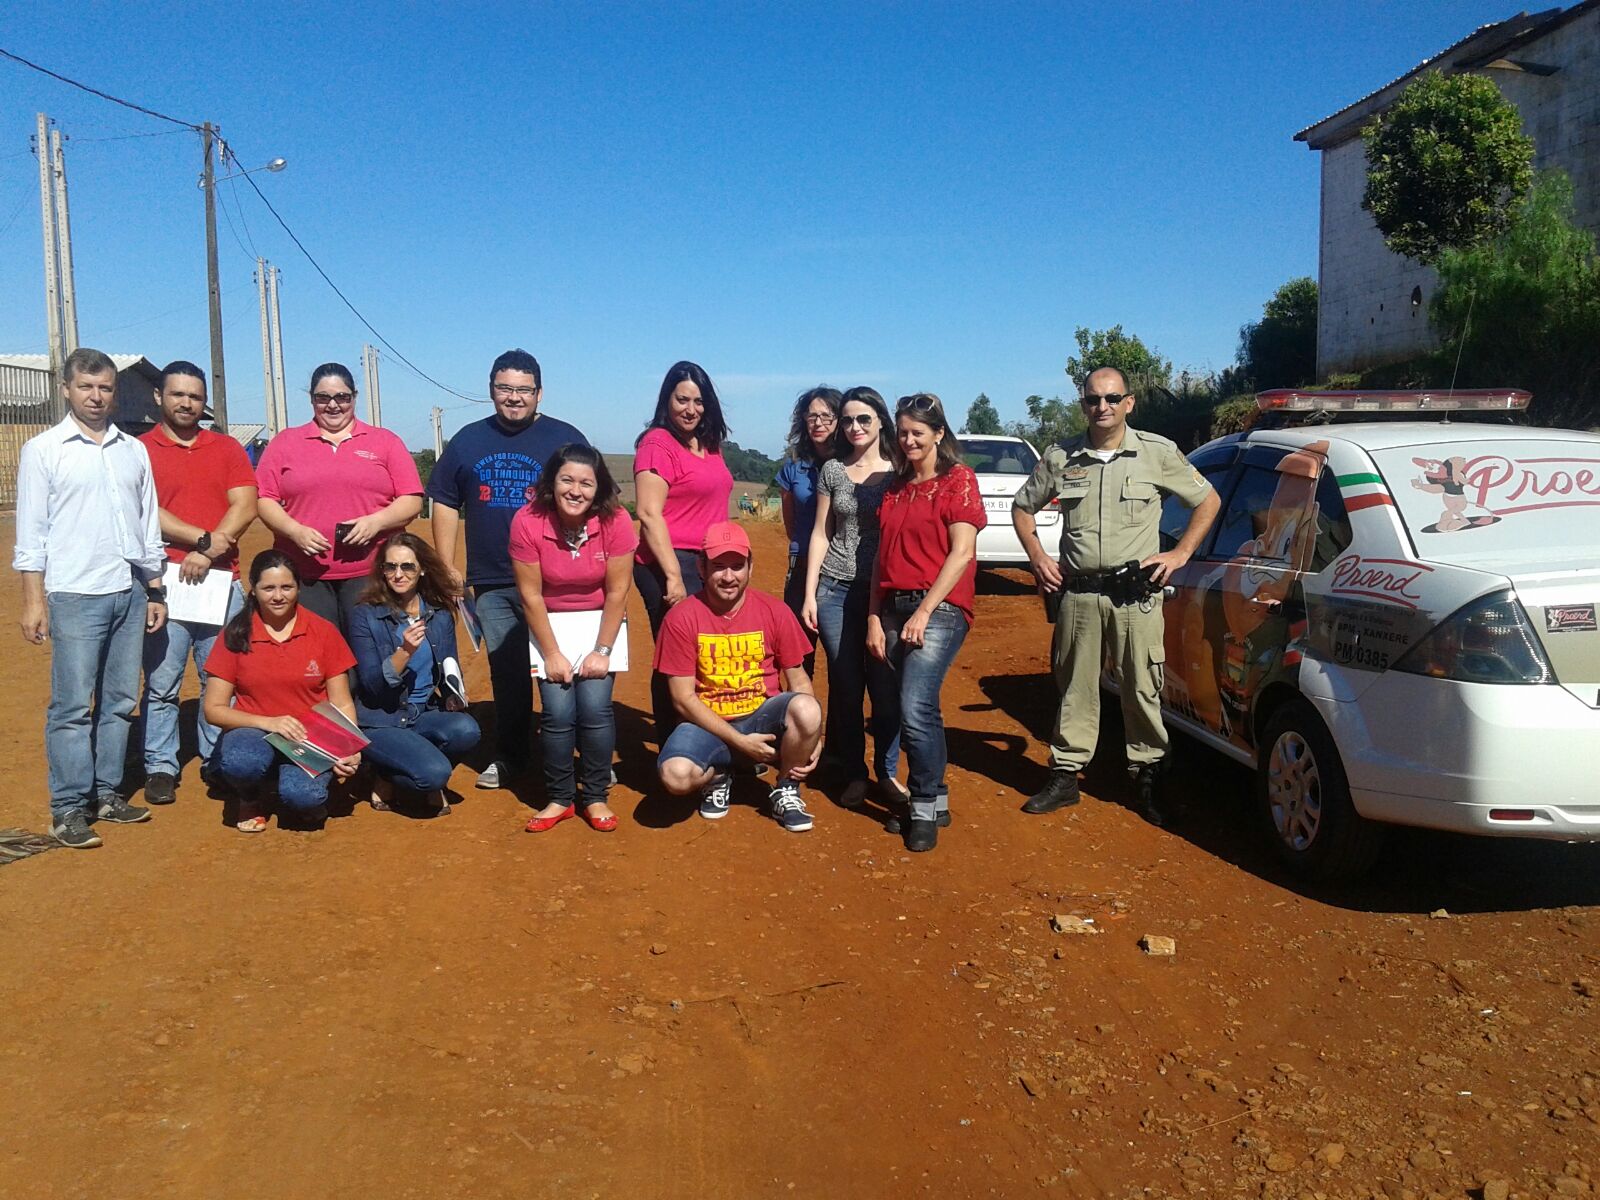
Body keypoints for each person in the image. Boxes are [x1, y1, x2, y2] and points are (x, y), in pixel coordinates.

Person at [1011, 366, 1220, 826]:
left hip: (1135, 596)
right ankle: (1065, 774)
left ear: (1129, 402)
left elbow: (1208, 501)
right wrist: (1037, 557)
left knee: (1142, 687)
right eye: (1092, 399)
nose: (1101, 407)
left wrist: (1181, 552)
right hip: (1080, 595)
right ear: (1082, 403)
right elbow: (1022, 508)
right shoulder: (1061, 457)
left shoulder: (1157, 454)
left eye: (1111, 398)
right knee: (1074, 687)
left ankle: (1149, 777)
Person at [14, 347, 169, 848]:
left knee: (121, 701)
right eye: (86, 387)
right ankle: (68, 806)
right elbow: (31, 534)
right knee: (72, 706)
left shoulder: (132, 448)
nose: (97, 396)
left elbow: (146, 522)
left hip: (127, 588)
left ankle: (107, 793)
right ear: (66, 390)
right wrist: (34, 601)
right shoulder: (44, 450)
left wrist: (153, 586)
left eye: (104, 387)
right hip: (75, 593)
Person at [429, 349, 590, 792]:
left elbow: (592, 499)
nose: (514, 398)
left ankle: (583, 757)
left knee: (567, 668)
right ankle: (513, 755)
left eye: (523, 390)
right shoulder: (467, 440)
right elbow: (443, 498)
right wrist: (446, 566)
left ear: (539, 393)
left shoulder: (564, 438)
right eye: (505, 388)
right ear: (491, 390)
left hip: (556, 578)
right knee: (508, 671)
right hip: (494, 578)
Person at [866, 393, 987, 853]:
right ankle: (936, 799)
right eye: (903, 432)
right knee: (918, 707)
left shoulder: (959, 480)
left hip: (940, 609)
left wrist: (924, 612)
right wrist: (875, 617)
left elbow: (962, 554)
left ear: (939, 434)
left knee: (914, 707)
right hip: (894, 605)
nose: (909, 439)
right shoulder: (896, 487)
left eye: (918, 431)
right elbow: (880, 558)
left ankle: (919, 809)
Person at [138, 360, 259, 806]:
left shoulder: (226, 448)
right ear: (159, 397)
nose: (186, 403)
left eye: (194, 396)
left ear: (204, 401)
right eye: (177, 394)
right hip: (164, 581)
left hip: (220, 582)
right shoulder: (139, 450)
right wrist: (204, 539)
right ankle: (161, 765)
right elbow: (146, 512)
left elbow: (245, 506)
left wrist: (206, 553)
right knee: (163, 681)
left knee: (219, 678)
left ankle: (216, 758)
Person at [655, 523, 822, 833]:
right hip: (707, 723)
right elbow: (682, 699)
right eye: (718, 567)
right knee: (675, 775)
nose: (728, 576)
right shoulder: (680, 618)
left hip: (762, 718)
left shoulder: (775, 611)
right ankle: (719, 772)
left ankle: (786, 788)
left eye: (737, 566)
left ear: (750, 566)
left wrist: (815, 737)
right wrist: (740, 743)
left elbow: (798, 681)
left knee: (808, 710)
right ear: (701, 568)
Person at [511, 445, 636, 834]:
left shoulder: (616, 520)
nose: (575, 490)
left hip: (601, 622)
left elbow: (618, 591)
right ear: (552, 482)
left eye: (586, 482)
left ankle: (596, 795)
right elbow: (530, 595)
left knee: (596, 709)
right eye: (567, 479)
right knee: (557, 712)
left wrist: (602, 651)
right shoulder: (527, 521)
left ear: (599, 488)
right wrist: (551, 653)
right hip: (549, 624)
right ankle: (560, 798)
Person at [255, 363, 423, 632]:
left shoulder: (385, 441)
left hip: (371, 572)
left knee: (368, 656)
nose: (333, 405)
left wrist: (376, 522)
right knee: (317, 656)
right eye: (323, 398)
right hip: (305, 574)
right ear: (312, 399)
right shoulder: (286, 443)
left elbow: (412, 498)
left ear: (354, 398)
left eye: (342, 397)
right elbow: (264, 498)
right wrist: (293, 530)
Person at [203, 550, 362, 832]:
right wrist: (269, 722)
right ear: (253, 590)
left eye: (286, 587)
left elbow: (342, 703)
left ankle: (295, 783)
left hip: (309, 736)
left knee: (305, 798)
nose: (278, 596)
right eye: (269, 588)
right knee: (241, 763)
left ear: (298, 588)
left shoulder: (323, 632)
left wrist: (349, 749)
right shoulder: (235, 633)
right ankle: (250, 796)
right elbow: (213, 709)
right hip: (254, 730)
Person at [802, 386, 901, 808]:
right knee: (845, 685)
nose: (855, 426)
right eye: (847, 420)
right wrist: (809, 593)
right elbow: (822, 532)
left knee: (885, 685)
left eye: (864, 418)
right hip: (836, 589)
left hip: (886, 593)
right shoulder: (833, 471)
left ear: (881, 420)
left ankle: (888, 773)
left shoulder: (900, 470)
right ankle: (854, 772)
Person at [633, 361, 734, 738]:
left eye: (698, 400)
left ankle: (714, 736)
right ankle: (676, 744)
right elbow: (647, 512)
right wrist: (673, 575)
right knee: (678, 657)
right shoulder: (657, 443)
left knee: (711, 652)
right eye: (681, 399)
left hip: (708, 562)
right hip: (668, 562)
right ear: (667, 400)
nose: (690, 408)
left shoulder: (709, 444)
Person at [348, 533, 480, 815]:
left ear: (422, 569)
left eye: (407, 566)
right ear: (381, 571)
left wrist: (455, 696)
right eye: (390, 567)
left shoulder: (439, 614)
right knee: (433, 774)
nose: (398, 574)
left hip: (422, 711)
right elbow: (372, 686)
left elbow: (449, 666)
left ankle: (394, 768)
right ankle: (390, 775)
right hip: (382, 719)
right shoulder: (365, 615)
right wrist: (404, 651)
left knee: (466, 730)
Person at [774, 386, 840, 673]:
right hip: (802, 564)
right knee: (799, 651)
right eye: (812, 416)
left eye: (827, 416)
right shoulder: (794, 467)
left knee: (843, 655)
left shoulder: (851, 463)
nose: (818, 423)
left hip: (843, 568)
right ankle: (802, 713)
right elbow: (791, 521)